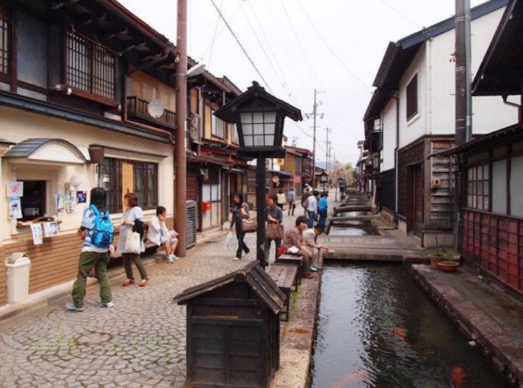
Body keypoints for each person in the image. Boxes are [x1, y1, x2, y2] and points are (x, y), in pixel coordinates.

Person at [67, 187, 113, 311]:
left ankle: (78, 303)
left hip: (90, 249)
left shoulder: (89, 209)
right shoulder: (107, 212)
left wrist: (79, 232)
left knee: (82, 276)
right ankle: (107, 300)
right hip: (104, 249)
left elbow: (84, 227)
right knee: (102, 274)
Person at [118, 192, 149, 287]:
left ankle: (145, 277)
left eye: (125, 199)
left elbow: (140, 224)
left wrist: (128, 222)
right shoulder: (126, 210)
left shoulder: (136, 209)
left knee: (135, 258)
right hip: (124, 237)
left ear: (131, 200)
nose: (124, 201)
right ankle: (130, 277)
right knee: (125, 259)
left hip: (132, 237)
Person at [230, 192, 250, 261]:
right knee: (239, 239)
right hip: (237, 224)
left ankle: (238, 255)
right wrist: (231, 226)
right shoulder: (235, 206)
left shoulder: (244, 205)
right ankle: (246, 249)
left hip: (243, 224)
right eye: (235, 197)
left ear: (240, 198)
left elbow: (248, 217)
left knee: (240, 240)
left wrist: (244, 213)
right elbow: (233, 216)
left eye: (237, 198)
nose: (235, 199)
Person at [265, 194, 283, 263]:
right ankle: (266, 260)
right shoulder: (267, 209)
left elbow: (280, 220)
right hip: (269, 228)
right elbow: (264, 218)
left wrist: (272, 219)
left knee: (278, 246)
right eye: (268, 200)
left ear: (275, 201)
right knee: (266, 245)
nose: (268, 201)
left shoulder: (279, 209)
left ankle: (277, 259)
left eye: (270, 200)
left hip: (276, 229)